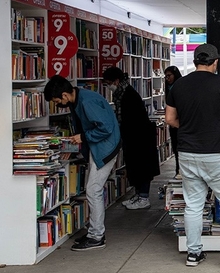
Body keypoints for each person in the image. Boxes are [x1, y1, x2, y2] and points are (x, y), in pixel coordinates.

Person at [165, 43, 220, 268]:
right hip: (216, 152)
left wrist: (190, 126)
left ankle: (193, 254)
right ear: (215, 61)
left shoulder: (179, 85)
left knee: (193, 205)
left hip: (188, 153)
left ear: (195, 61)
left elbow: (170, 119)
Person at [44, 75, 121, 251]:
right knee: (92, 189)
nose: (57, 105)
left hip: (105, 148)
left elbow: (106, 128)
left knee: (93, 191)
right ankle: (94, 231)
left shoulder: (87, 102)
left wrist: (83, 137)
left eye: (57, 101)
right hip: (99, 147)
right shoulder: (77, 99)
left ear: (64, 95)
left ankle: (96, 236)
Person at [103, 67, 160, 210]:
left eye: (109, 83)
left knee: (142, 167)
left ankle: (144, 197)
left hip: (140, 137)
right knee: (134, 166)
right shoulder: (122, 93)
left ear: (116, 81)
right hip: (133, 136)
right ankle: (138, 194)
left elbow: (130, 119)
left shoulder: (127, 95)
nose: (108, 87)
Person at [164, 65, 182, 179]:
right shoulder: (168, 87)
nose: (167, 79)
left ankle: (180, 171)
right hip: (174, 123)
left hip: (181, 122)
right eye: (166, 76)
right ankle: (178, 171)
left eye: (169, 76)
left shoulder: (181, 86)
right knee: (176, 148)